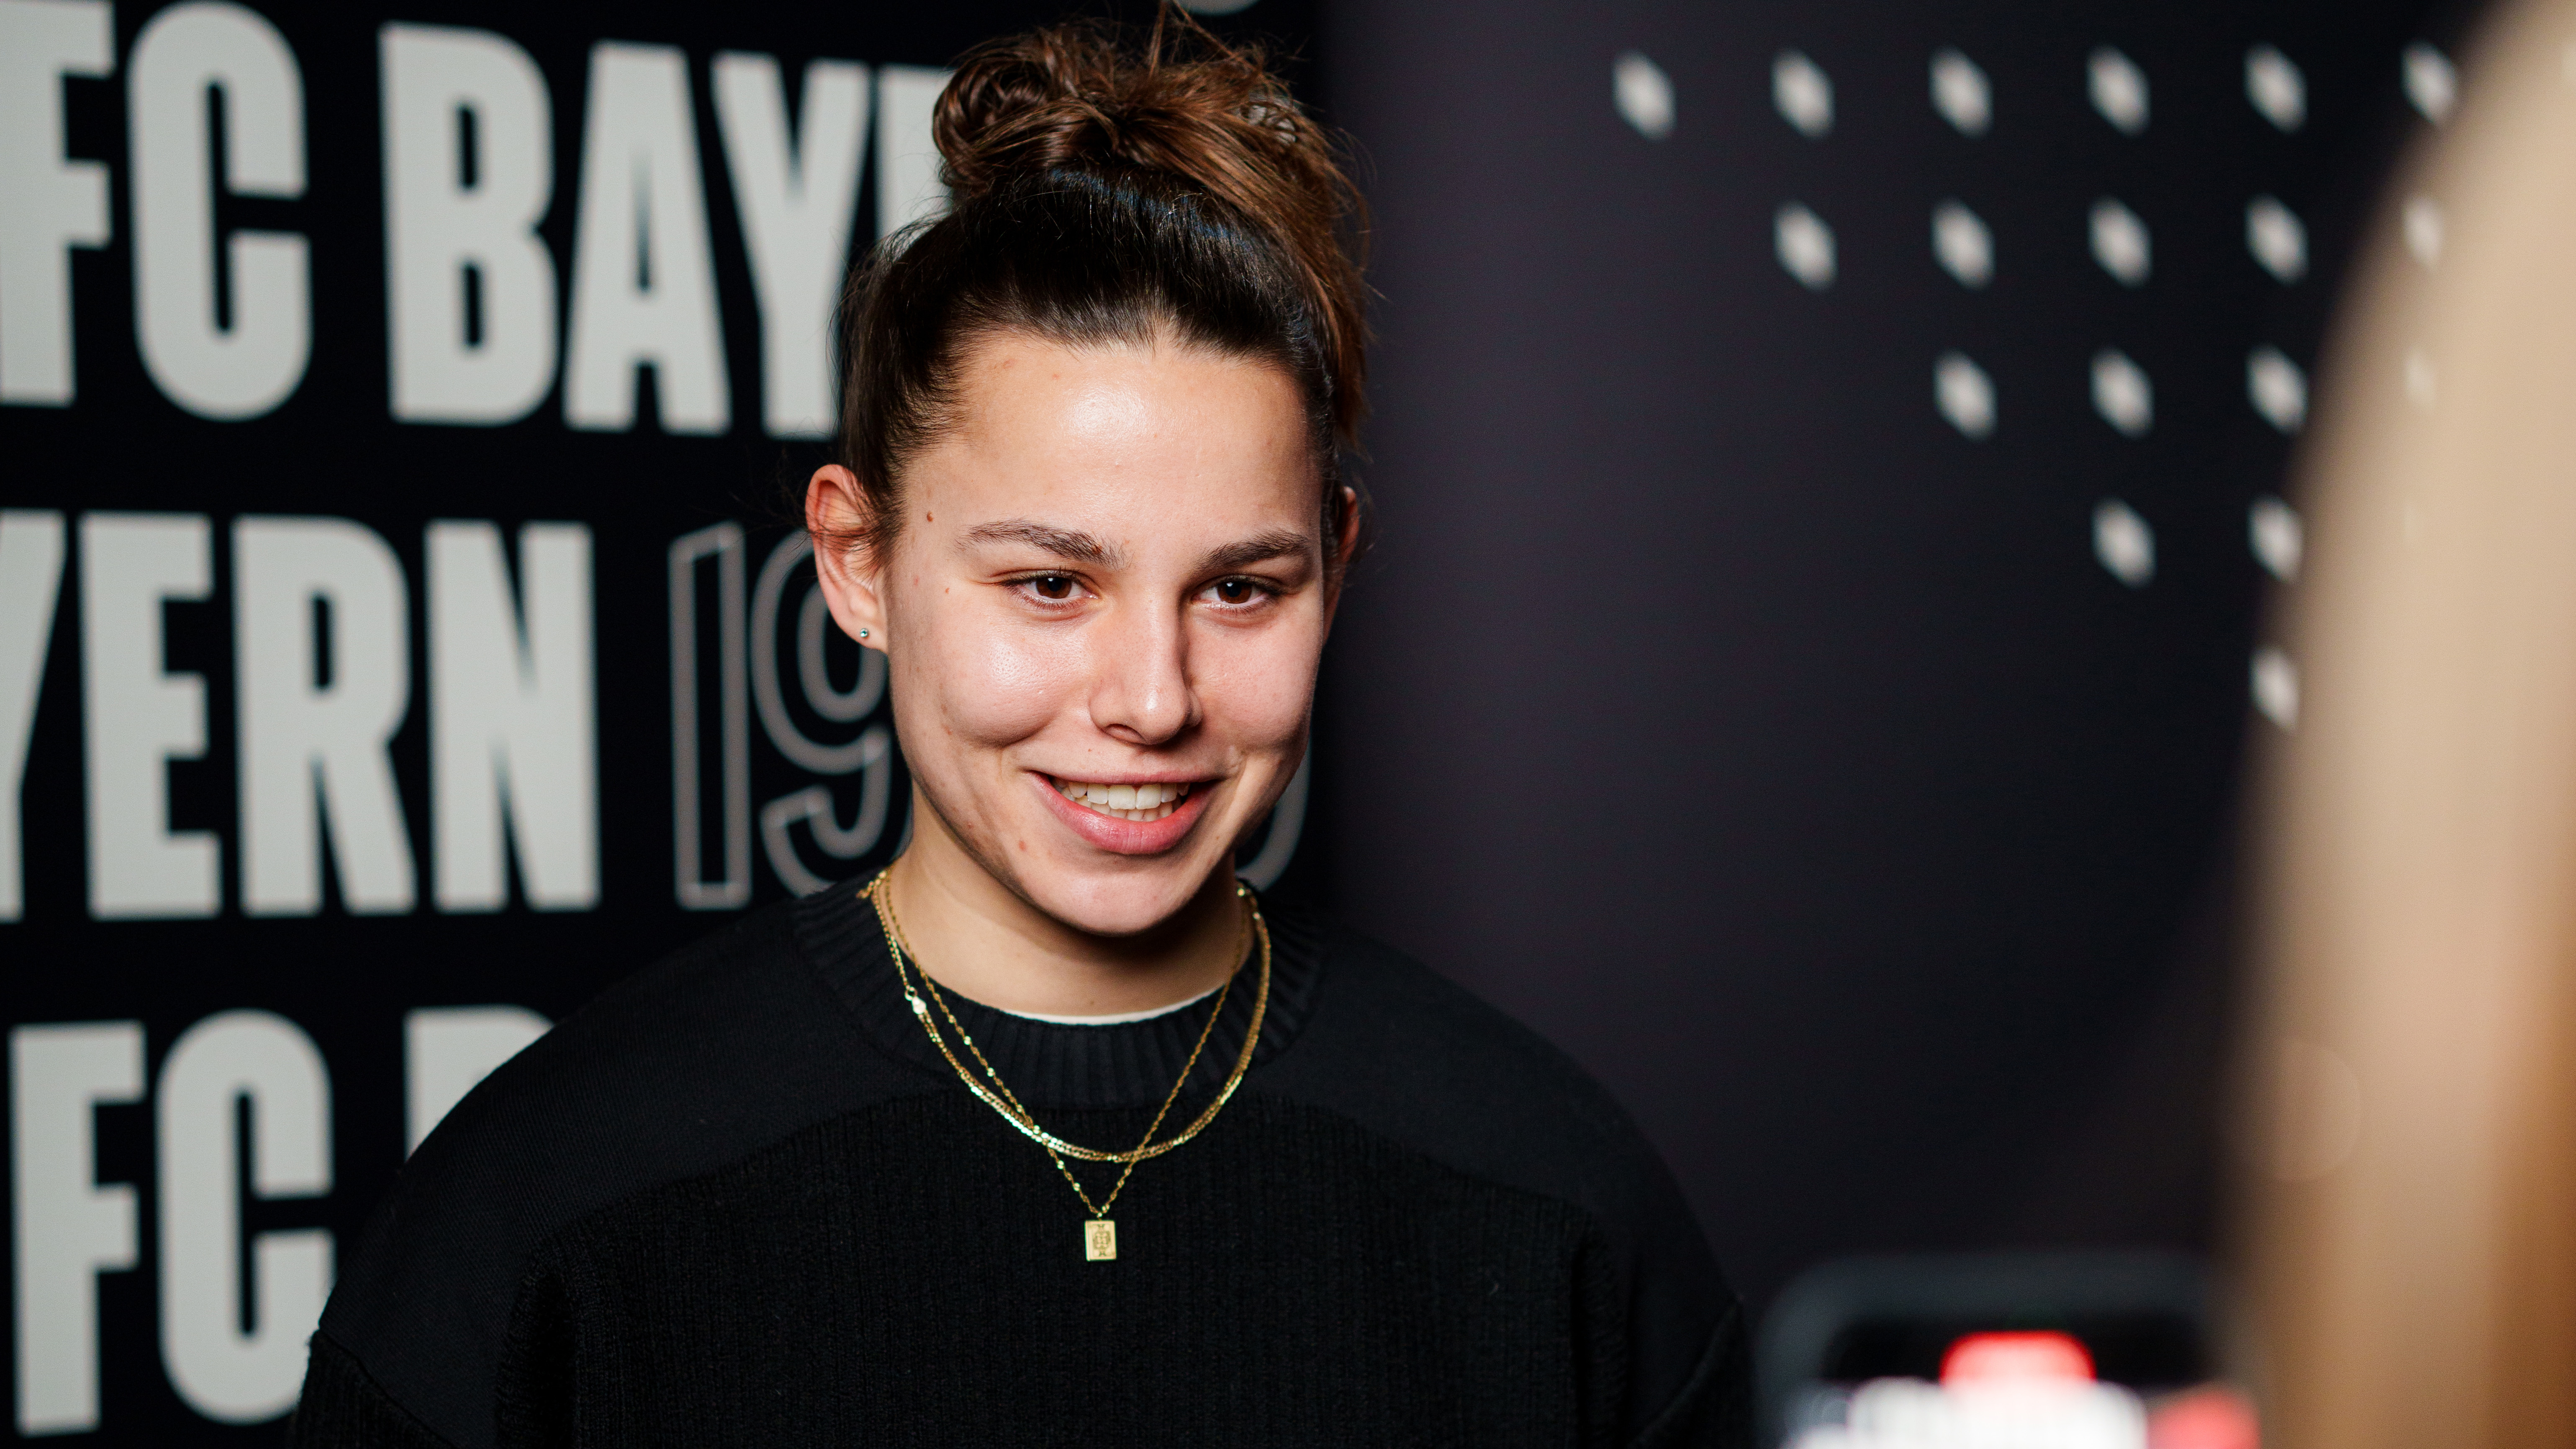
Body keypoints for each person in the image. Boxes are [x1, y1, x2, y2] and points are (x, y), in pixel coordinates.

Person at [288, 13, 1746, 1446]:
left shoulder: (1550, 1203)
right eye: (1051, 583)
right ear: (858, 564)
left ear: (1339, 563)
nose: (1153, 700)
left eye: (1240, 589)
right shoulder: (552, 1213)